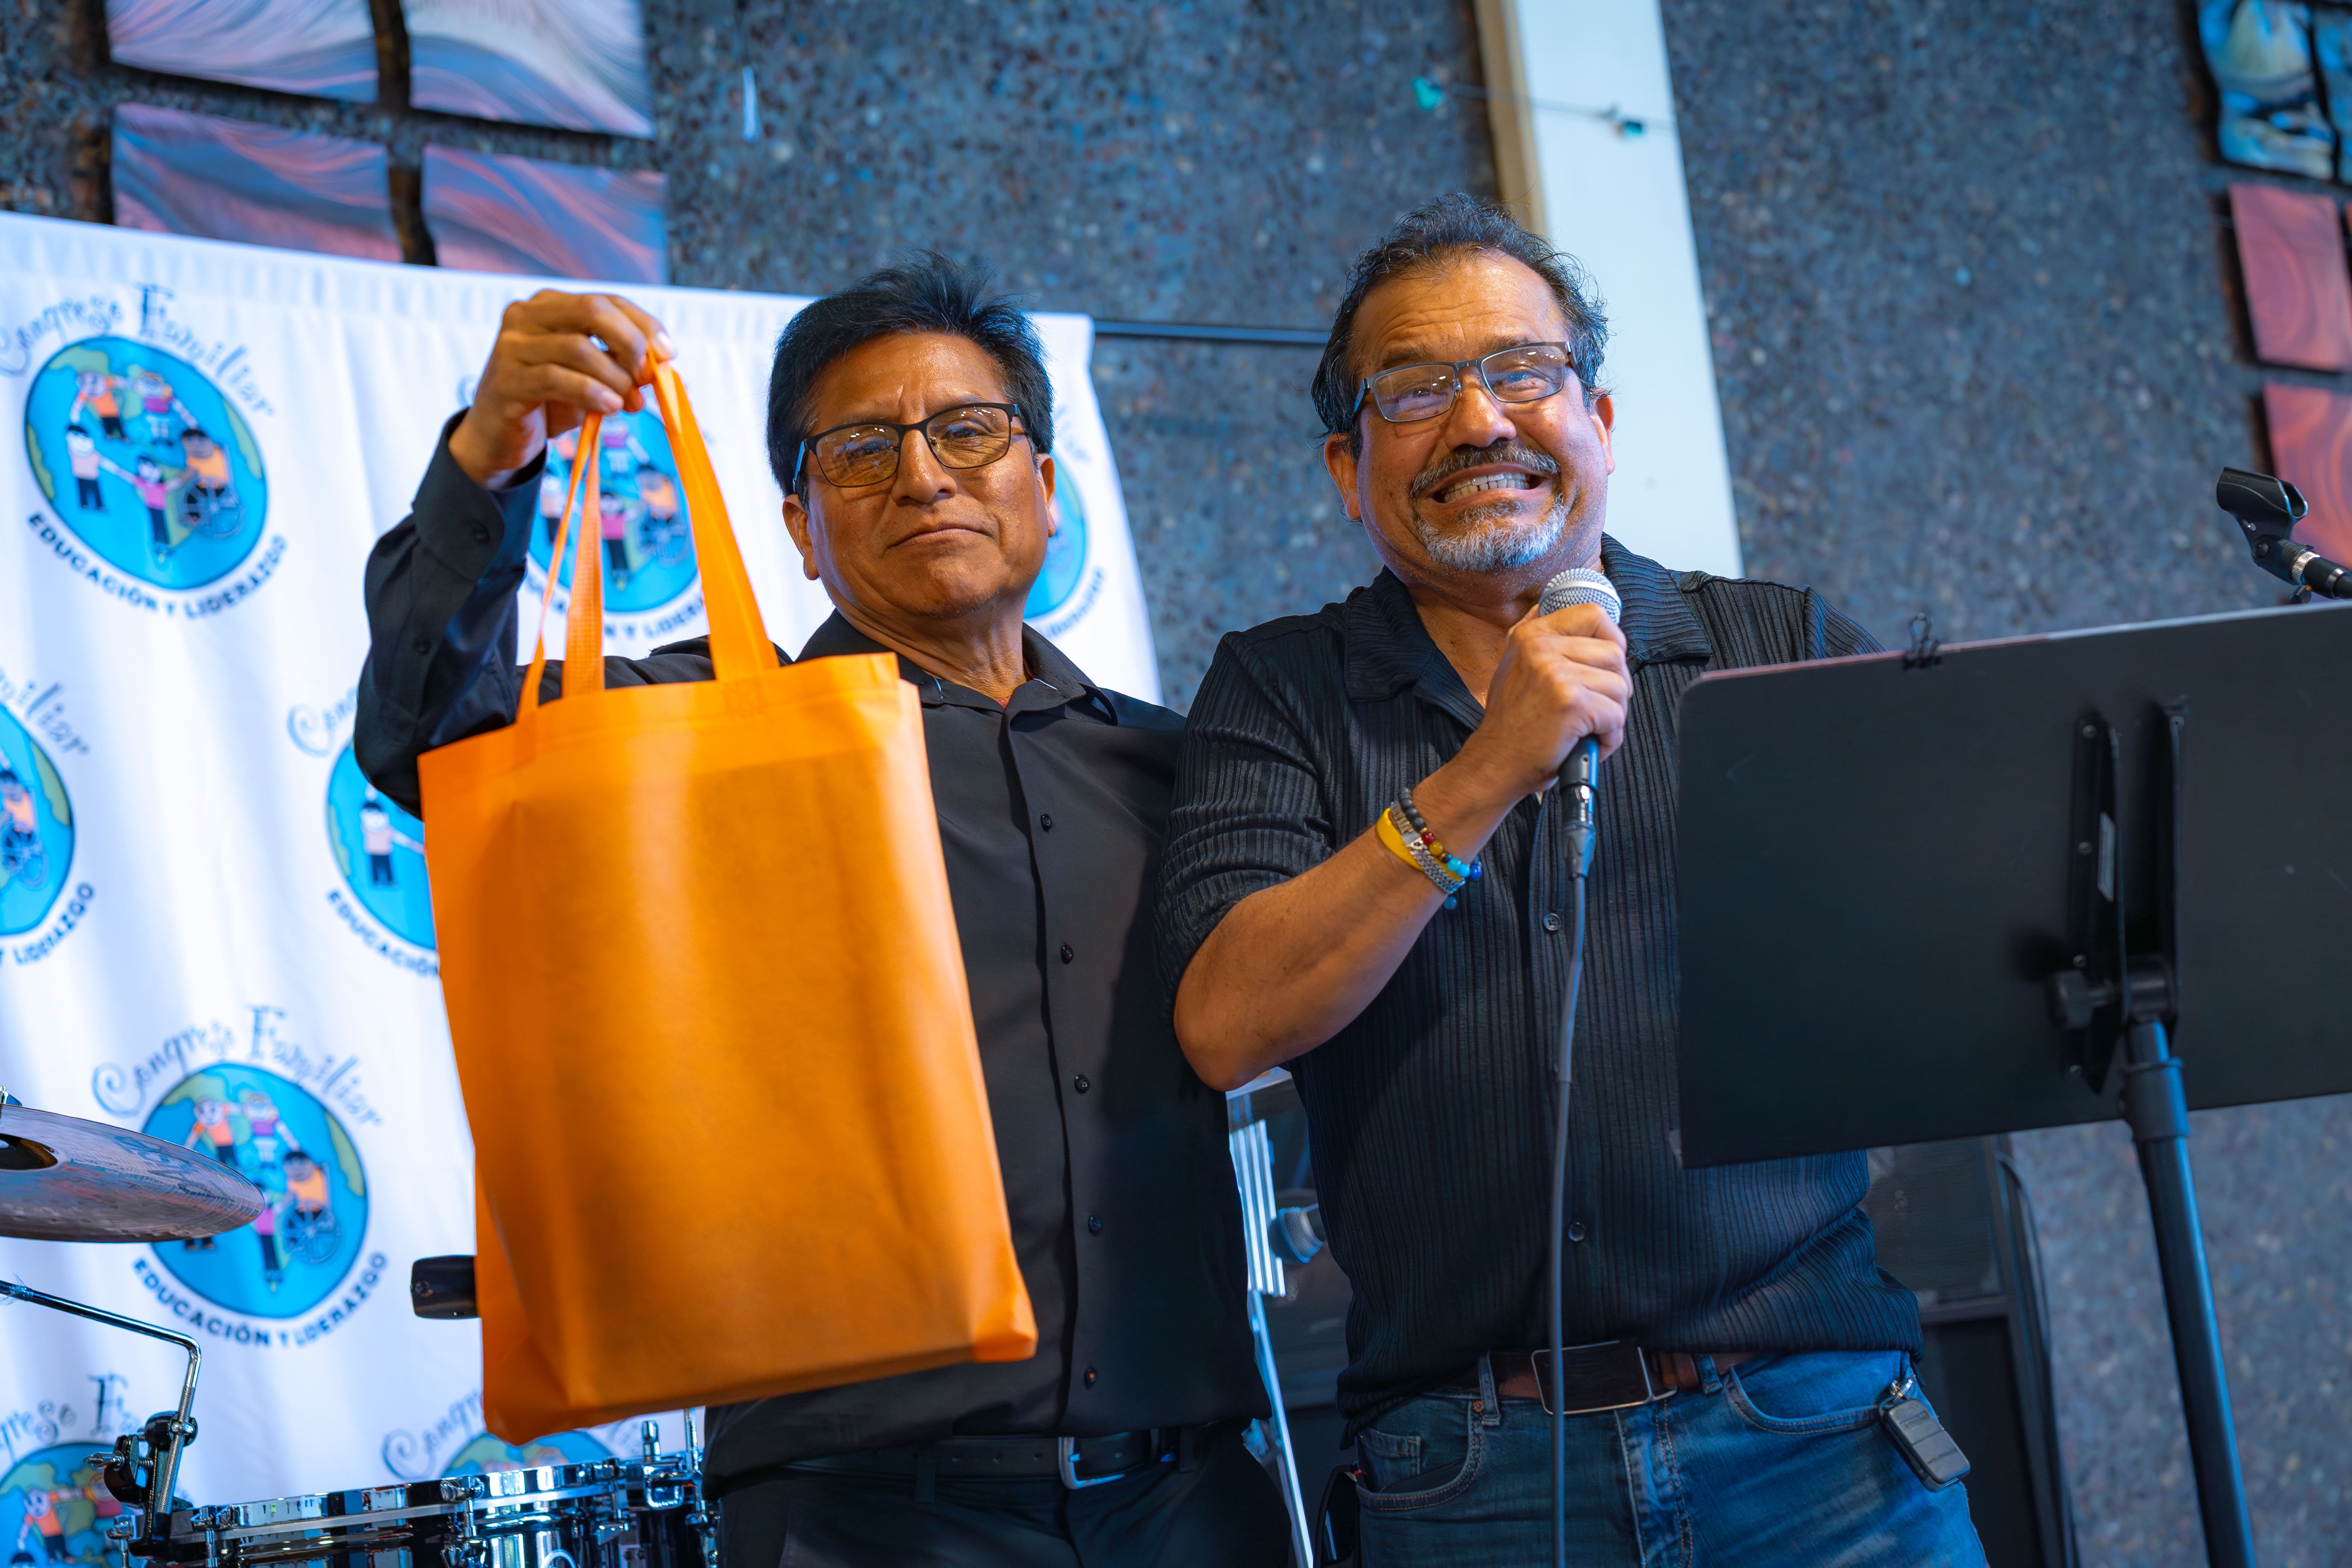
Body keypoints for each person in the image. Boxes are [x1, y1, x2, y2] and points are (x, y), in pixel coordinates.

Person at [354, 258, 1285, 1568]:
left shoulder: (1181, 769)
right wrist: (491, 457)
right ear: (799, 527)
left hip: (1195, 1506)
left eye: (969, 431)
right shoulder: (698, 744)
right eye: (861, 450)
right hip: (858, 1517)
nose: (924, 476)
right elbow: (426, 737)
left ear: (1045, 486)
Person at [1156, 195, 1988, 1564]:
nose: (1480, 421)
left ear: (1597, 419)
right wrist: (1489, 768)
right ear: (1348, 469)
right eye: (1415, 390)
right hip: (1467, 1472)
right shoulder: (1279, 690)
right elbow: (1227, 1024)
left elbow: (1949, 970)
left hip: (1817, 1436)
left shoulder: (1775, 643)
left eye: (1523, 372)